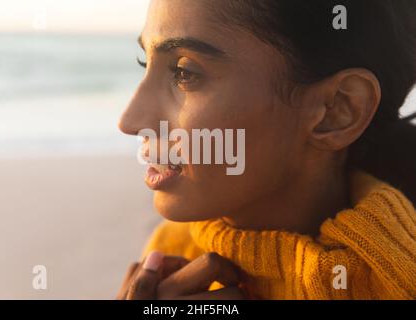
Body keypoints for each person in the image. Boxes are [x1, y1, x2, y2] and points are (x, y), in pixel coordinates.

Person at [117, 0, 416, 299]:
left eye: (185, 72)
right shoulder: (171, 260)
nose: (130, 121)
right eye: (146, 64)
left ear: (336, 110)